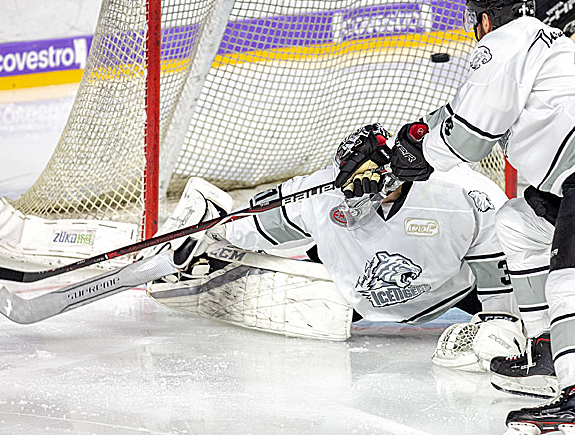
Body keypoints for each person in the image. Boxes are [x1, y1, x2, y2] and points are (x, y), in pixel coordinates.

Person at [335, 0, 575, 435]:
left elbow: (470, 138)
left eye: (476, 19)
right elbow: (461, 115)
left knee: (574, 278)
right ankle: (543, 350)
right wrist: (413, 138)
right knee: (518, 223)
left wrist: (414, 158)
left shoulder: (500, 43)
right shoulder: (544, 39)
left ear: (486, 19)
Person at [147, 123, 526, 372]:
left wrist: (499, 316)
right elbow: (255, 222)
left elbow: (495, 257)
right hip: (354, 286)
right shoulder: (322, 190)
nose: (347, 194)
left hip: (455, 288)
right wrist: (213, 233)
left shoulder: (459, 194)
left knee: (527, 320)